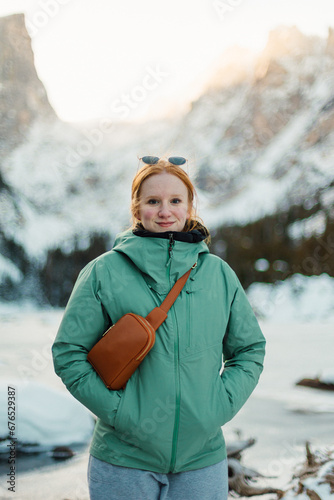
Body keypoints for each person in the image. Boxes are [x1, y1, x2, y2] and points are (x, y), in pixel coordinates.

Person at [52, 156, 266, 500]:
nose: (165, 211)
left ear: (189, 207)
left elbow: (249, 350)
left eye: (175, 201)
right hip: (123, 461)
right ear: (137, 209)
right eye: (153, 201)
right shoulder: (103, 272)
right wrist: (121, 413)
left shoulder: (219, 274)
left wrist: (218, 407)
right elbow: (68, 354)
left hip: (202, 461)